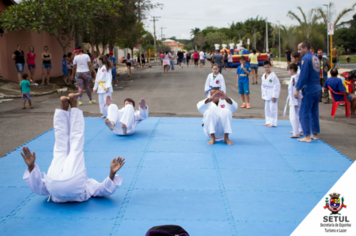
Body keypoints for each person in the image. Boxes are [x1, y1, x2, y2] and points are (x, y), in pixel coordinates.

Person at [21, 93, 125, 203]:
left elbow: (40, 188)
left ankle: (72, 105)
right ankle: (64, 107)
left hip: (63, 185)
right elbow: (102, 190)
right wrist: (112, 174)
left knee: (75, 145)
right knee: (60, 146)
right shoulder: (88, 183)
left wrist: (32, 167)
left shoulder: (85, 182)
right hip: (54, 184)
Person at [294, 41, 322, 143]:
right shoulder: (315, 58)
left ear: (306, 48)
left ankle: (307, 135)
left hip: (309, 88)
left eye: (300, 49)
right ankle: (315, 134)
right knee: (314, 111)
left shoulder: (305, 59)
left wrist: (297, 89)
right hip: (317, 87)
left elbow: (303, 76)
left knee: (303, 112)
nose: (298, 51)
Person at [284, 63, 303, 138]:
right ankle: (300, 130)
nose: (288, 72)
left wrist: (295, 102)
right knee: (298, 115)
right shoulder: (296, 77)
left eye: (288, 70)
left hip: (294, 99)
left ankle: (296, 132)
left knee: (293, 116)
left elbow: (294, 90)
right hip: (296, 99)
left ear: (292, 70)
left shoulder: (294, 78)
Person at [261, 60, 281, 127]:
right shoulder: (263, 75)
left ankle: (273, 123)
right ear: (263, 67)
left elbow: (277, 86)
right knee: (267, 108)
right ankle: (268, 121)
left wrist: (274, 96)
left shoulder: (273, 76)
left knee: (273, 108)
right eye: (265, 67)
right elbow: (263, 86)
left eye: (268, 67)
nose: (267, 69)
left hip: (272, 93)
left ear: (271, 67)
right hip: (266, 94)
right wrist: (263, 95)